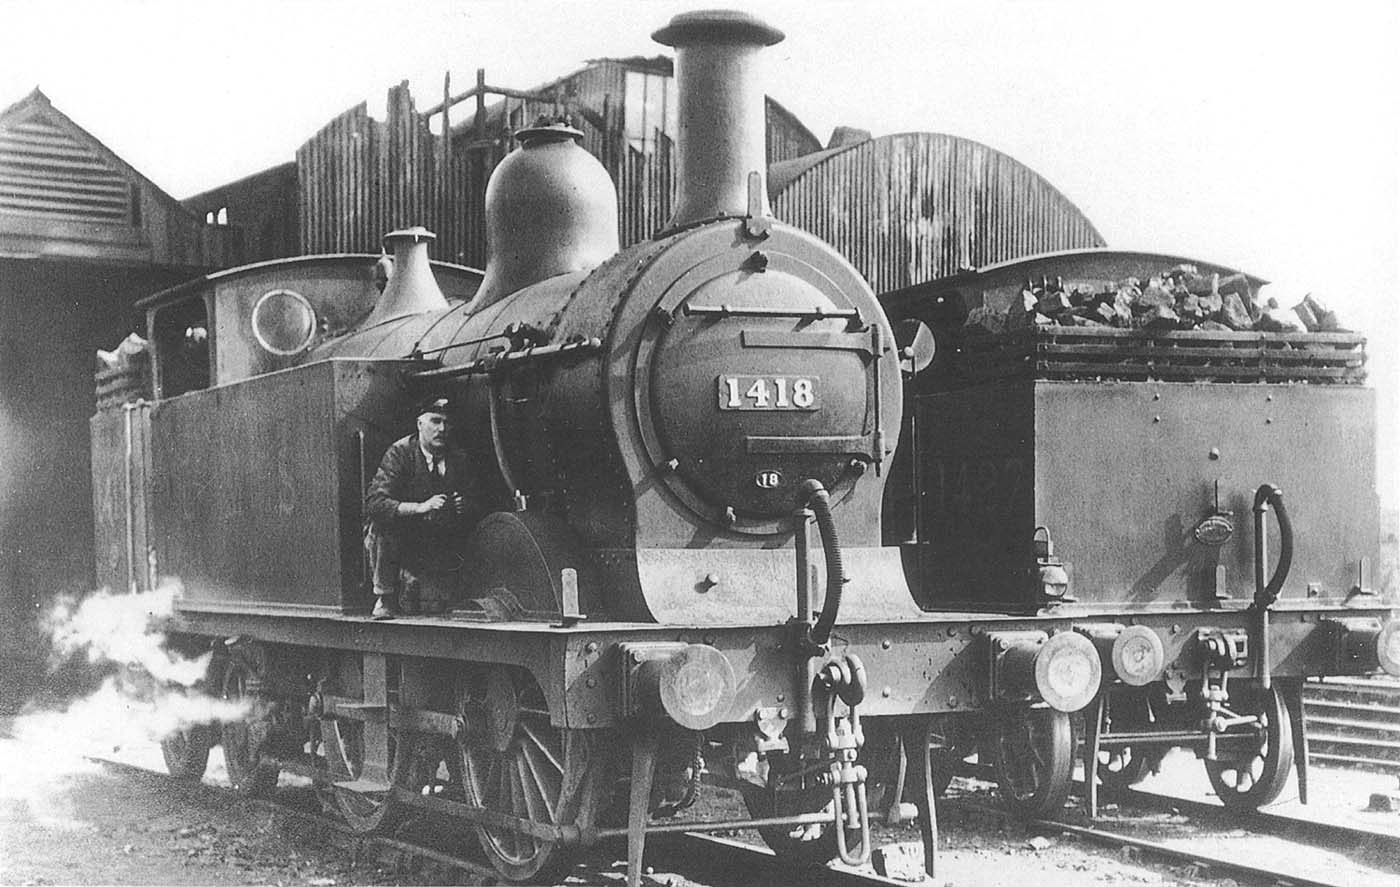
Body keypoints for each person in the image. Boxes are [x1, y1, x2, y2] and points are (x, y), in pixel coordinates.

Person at [363, 396, 478, 619]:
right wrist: (419, 507)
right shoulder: (400, 453)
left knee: (435, 605)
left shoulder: (459, 459)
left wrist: (466, 504)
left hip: (439, 541)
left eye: (446, 422)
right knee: (382, 526)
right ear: (420, 424)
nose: (442, 429)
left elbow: (478, 499)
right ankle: (384, 597)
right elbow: (375, 503)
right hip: (405, 539)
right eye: (435, 421)